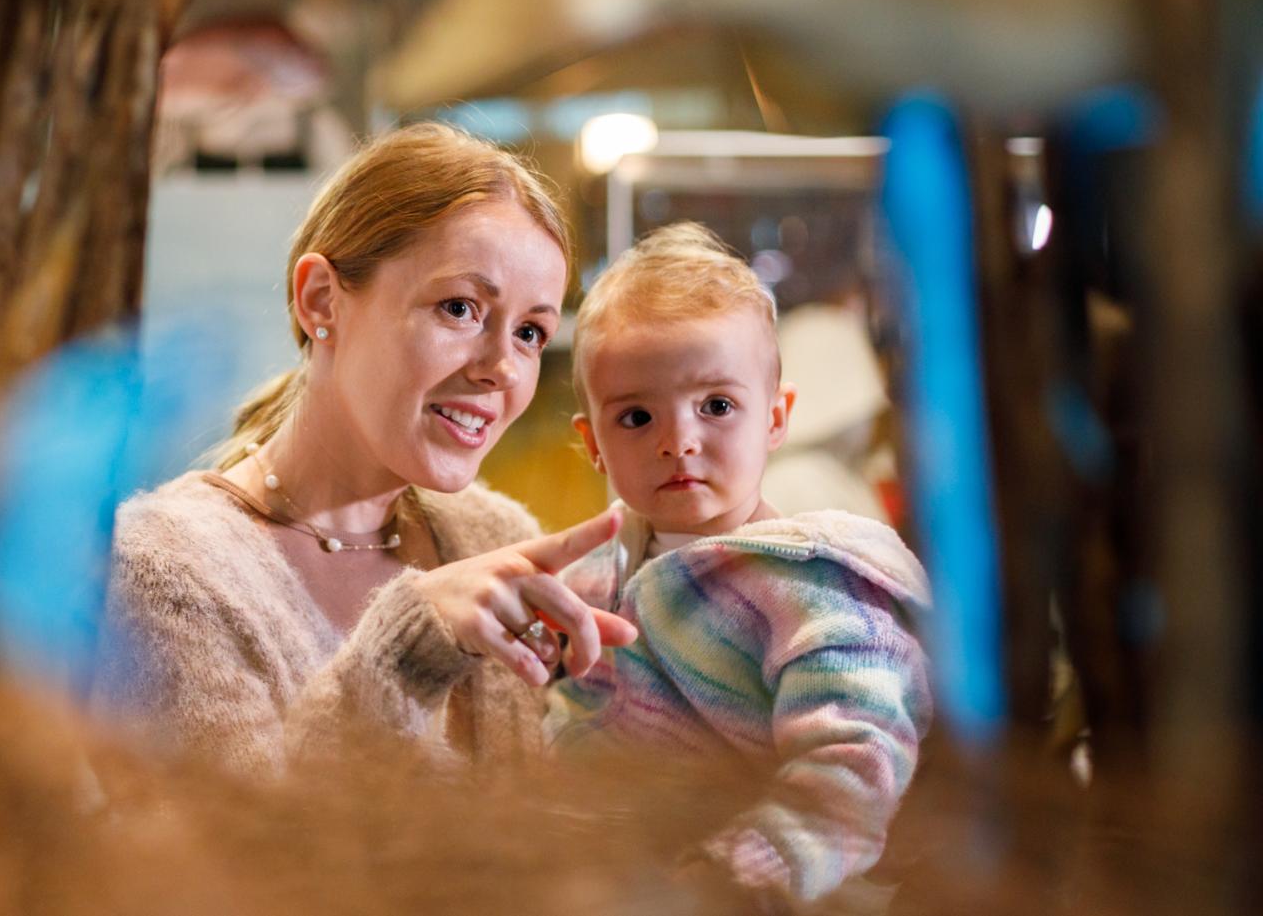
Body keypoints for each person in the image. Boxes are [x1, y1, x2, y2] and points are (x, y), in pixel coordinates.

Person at [92, 123, 636, 776]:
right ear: (322, 299)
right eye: (460, 307)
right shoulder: (163, 571)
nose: (502, 367)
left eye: (529, 331)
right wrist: (410, 642)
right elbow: (239, 859)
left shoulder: (496, 538)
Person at [547, 222, 932, 909]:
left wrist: (739, 876)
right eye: (636, 417)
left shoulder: (815, 587)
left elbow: (854, 766)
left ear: (776, 419)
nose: (679, 441)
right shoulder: (585, 580)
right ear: (592, 442)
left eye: (717, 405)